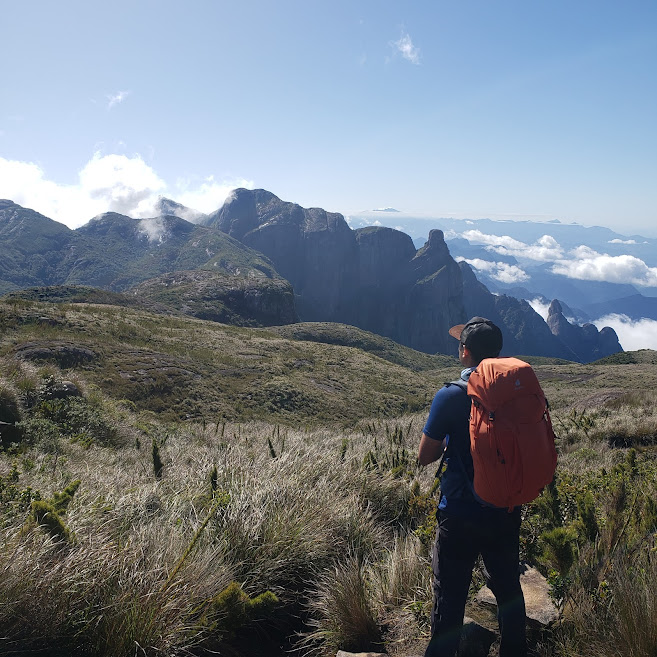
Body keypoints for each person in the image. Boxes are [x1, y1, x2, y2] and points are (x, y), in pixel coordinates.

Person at [418, 317, 527, 657]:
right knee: (508, 587)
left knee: (449, 595)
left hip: (460, 512)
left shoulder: (450, 396)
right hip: (505, 508)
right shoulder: (519, 393)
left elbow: (425, 456)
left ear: (465, 352)